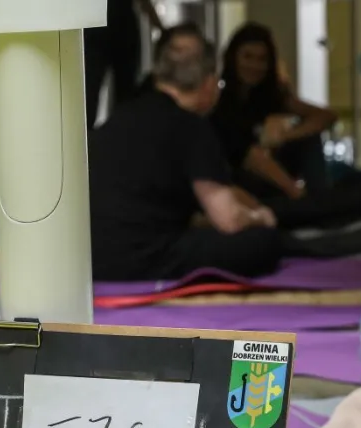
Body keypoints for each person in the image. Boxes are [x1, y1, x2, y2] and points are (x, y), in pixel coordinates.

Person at [89, 25, 281, 282]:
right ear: (209, 82)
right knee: (263, 242)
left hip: (93, 259)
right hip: (143, 259)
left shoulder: (120, 116)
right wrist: (260, 217)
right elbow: (229, 220)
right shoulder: (192, 127)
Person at [211, 23, 338, 200]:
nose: (254, 65)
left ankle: (322, 199)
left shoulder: (274, 97)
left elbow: (327, 116)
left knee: (310, 136)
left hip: (278, 179)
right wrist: (295, 192)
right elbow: (252, 158)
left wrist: (285, 135)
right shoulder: (220, 104)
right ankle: (318, 204)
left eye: (262, 59)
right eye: (248, 57)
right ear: (233, 58)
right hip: (244, 186)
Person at [84, 0, 163, 128]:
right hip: (111, 25)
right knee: (93, 90)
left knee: (93, 90)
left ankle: (96, 136)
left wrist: (159, 26)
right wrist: (159, 26)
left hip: (103, 24)